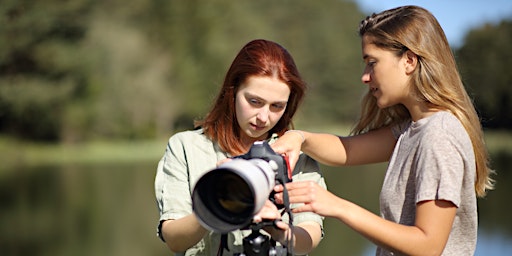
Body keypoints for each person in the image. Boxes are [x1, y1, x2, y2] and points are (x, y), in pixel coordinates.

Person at [271, 5, 495, 256]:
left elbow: (428, 246)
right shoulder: (412, 129)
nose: (365, 77)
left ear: (409, 61)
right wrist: (299, 138)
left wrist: (337, 206)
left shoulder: (439, 135)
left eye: (372, 63)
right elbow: (348, 150)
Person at [154, 39, 325, 256]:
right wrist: (217, 204)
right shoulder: (186, 147)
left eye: (277, 106)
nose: (263, 117)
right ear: (232, 91)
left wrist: (276, 229)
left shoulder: (296, 155)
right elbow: (174, 240)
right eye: (254, 101)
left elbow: (309, 238)